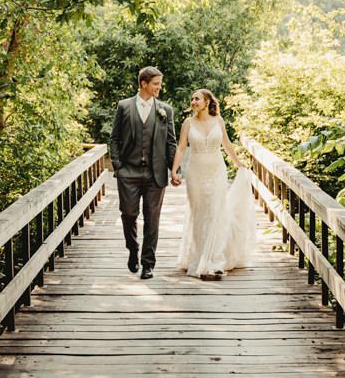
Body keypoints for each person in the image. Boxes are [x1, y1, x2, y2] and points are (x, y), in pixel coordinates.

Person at [171, 89, 257, 279]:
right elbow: (182, 147)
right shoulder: (188, 123)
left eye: (197, 99)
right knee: (199, 213)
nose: (193, 101)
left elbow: (226, 145)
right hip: (195, 172)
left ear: (207, 101)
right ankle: (200, 257)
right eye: (192, 99)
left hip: (217, 171)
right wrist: (174, 170)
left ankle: (215, 262)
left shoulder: (219, 121)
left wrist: (239, 164)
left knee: (216, 212)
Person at [107, 66, 178, 279]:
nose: (159, 87)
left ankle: (148, 264)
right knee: (128, 214)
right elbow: (114, 138)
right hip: (128, 172)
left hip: (155, 174)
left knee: (152, 218)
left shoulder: (166, 109)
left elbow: (171, 142)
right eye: (156, 84)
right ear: (143, 84)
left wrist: (174, 170)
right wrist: (118, 165)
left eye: (159, 83)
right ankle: (132, 249)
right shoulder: (124, 106)